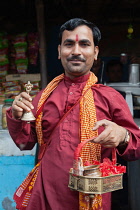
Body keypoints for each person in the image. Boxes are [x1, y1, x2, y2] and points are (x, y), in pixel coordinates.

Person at [6, 18, 140, 210]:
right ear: (59, 51)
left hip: (92, 198)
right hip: (45, 196)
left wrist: (123, 135)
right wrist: (17, 115)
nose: (76, 51)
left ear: (95, 53)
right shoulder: (44, 97)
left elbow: (136, 145)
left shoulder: (110, 97)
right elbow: (24, 142)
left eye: (84, 44)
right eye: (69, 44)